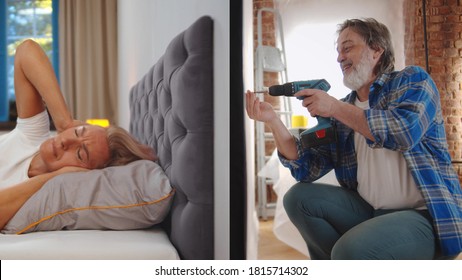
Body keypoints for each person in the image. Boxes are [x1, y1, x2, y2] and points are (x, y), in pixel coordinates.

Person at [246, 18, 462, 260]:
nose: (339, 58)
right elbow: (308, 169)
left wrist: (334, 107)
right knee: (298, 198)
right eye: (338, 51)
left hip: (424, 215)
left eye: (347, 48)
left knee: (348, 250)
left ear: (377, 50)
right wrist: (273, 121)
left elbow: (403, 132)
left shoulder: (412, 80)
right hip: (369, 211)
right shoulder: (346, 107)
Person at [0, 39, 156, 230]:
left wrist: (55, 177)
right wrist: (64, 121)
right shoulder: (32, 136)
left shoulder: (38, 196)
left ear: (84, 172)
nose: (67, 142)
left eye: (80, 153)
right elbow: (26, 51)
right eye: (77, 131)